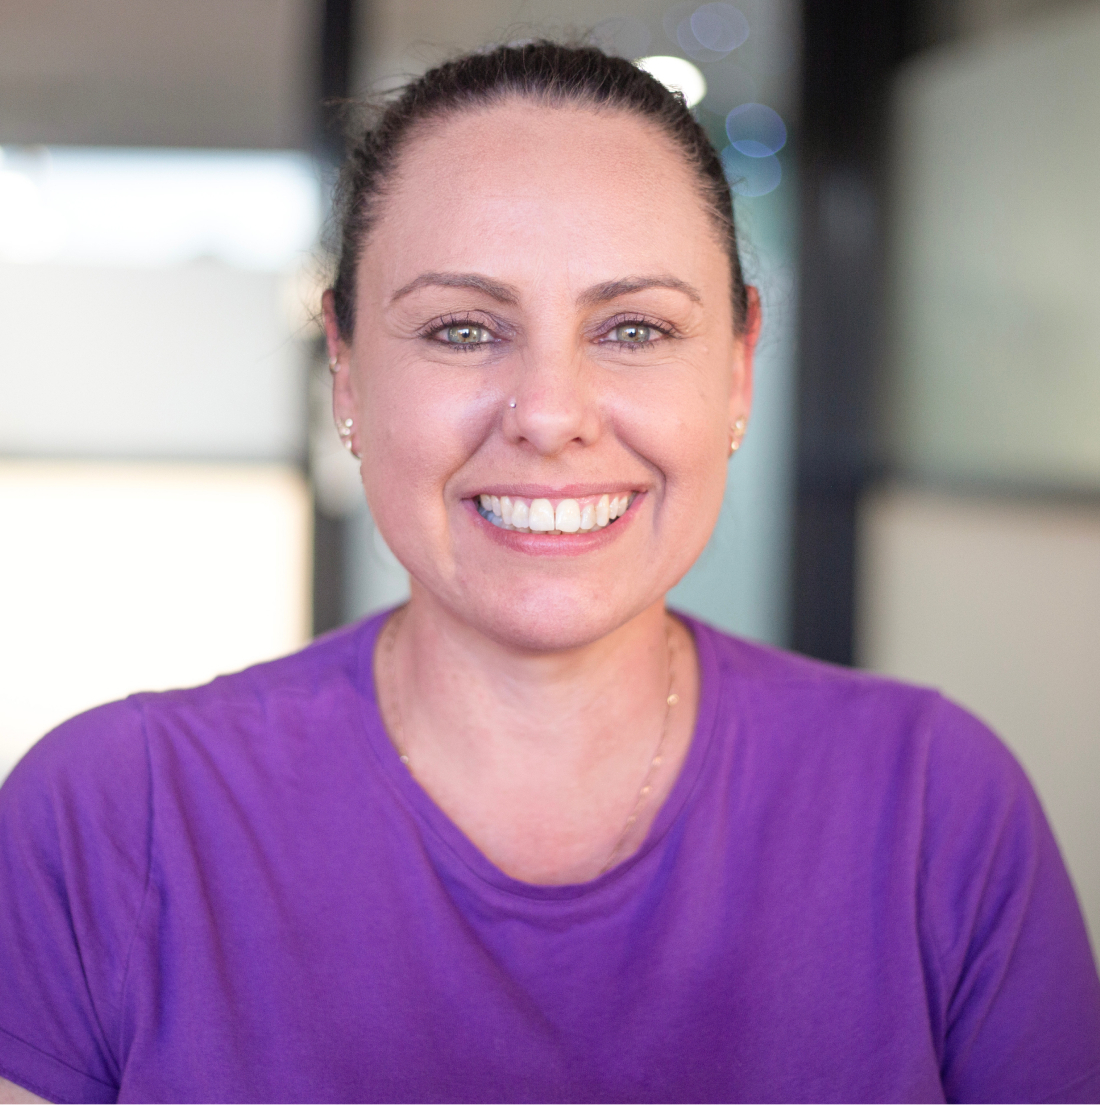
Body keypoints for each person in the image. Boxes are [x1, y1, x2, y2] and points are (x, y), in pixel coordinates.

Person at [1, 41, 1098, 1104]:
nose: (551, 415)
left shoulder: (935, 810)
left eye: (631, 328)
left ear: (735, 370)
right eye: (464, 327)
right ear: (344, 370)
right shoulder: (109, 823)